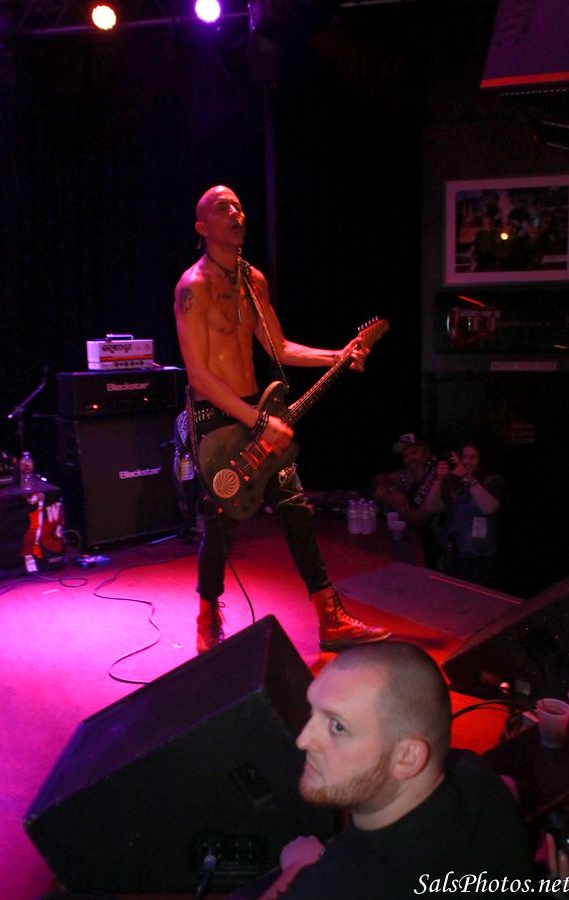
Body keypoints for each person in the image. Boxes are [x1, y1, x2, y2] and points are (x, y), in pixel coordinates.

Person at [174, 184, 391, 654]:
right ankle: (207, 616)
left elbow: (281, 347)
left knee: (295, 506)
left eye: (238, 206)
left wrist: (338, 355)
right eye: (223, 208)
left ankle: (329, 616)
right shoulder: (193, 287)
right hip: (215, 415)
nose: (236, 213)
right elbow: (199, 375)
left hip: (255, 408)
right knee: (223, 519)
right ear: (202, 227)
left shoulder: (253, 281)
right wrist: (256, 422)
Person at [254, 642, 535, 898]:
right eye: (312, 712)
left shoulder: (339, 884)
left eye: (338, 727)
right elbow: (507, 785)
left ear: (407, 757)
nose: (303, 740)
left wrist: (298, 864)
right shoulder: (473, 771)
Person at [424, 442, 507, 589]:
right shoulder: (456, 484)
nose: (467, 461)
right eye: (464, 457)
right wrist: (439, 480)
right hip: (454, 557)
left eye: (472, 457)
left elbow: (489, 508)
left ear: (481, 460)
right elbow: (431, 507)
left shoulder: (493, 481)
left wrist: (467, 477)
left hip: (480, 559)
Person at [371, 433, 440, 566]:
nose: (410, 459)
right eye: (406, 456)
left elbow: (419, 519)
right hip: (411, 543)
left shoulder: (439, 477)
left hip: (433, 550)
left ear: (427, 454)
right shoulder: (407, 474)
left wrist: (390, 501)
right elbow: (379, 478)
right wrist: (393, 490)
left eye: (414, 453)